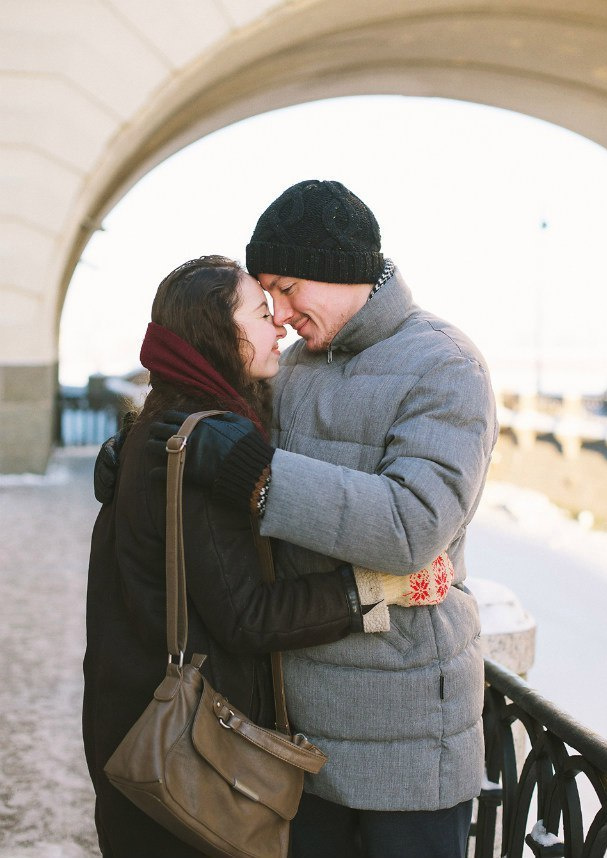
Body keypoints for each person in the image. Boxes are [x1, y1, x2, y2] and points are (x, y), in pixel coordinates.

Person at [151, 180, 498, 858]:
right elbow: (208, 421)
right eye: (267, 295)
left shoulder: (445, 365)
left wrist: (258, 476)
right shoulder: (295, 369)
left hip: (404, 742)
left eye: (285, 287)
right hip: (296, 738)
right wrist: (143, 457)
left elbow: (410, 526)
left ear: (341, 274)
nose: (277, 312)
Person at [83, 256, 428, 857]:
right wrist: (374, 588)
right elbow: (248, 617)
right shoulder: (201, 446)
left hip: (133, 726)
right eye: (262, 313)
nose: (280, 328)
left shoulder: (156, 428)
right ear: (219, 336)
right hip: (184, 757)